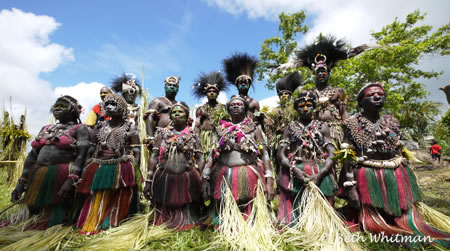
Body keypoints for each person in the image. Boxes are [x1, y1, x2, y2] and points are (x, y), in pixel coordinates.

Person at [340, 82, 450, 246]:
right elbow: (348, 156)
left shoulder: (392, 121)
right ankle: (386, 229)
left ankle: (407, 226)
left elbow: (398, 148)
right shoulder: (351, 124)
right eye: (372, 94)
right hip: (367, 173)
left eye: (381, 94)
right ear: (361, 101)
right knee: (374, 220)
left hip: (395, 171)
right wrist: (351, 187)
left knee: (405, 216)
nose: (378, 96)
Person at [10, 96, 89, 229]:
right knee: (35, 210)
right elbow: (32, 155)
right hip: (39, 173)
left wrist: (72, 179)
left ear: (74, 110)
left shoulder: (80, 129)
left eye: (63, 106)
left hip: (62, 174)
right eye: (56, 106)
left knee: (56, 214)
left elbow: (82, 155)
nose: (57, 108)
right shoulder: (46, 128)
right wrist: (22, 181)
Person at [202, 95, 275, 225]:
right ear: (228, 110)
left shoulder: (254, 128)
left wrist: (269, 180)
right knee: (223, 204)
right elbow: (211, 155)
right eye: (232, 104)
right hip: (224, 173)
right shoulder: (220, 129)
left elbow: (265, 154)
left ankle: (249, 221)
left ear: (246, 109)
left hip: (248, 172)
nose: (236, 106)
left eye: (239, 104)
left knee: (248, 204)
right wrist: (205, 177)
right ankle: (225, 220)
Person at [76, 94, 140, 234]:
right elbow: (92, 149)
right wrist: (86, 169)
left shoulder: (130, 127)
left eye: (113, 104)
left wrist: (135, 170)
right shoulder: (99, 126)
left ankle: (112, 220)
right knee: (97, 195)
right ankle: (94, 220)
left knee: (119, 196)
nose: (109, 107)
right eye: (107, 104)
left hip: (122, 167)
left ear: (122, 108)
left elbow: (136, 150)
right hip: (99, 165)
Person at [277, 91, 337, 225]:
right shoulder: (289, 128)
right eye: (301, 105)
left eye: (309, 105)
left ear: (314, 107)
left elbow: (332, 152)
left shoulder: (323, 126)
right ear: (295, 108)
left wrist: (321, 174)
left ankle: (320, 222)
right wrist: (293, 169)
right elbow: (281, 154)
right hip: (296, 169)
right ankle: (296, 219)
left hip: (319, 168)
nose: (305, 108)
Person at [143, 102, 205, 230]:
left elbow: (200, 158)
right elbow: (154, 156)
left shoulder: (193, 135)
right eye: (174, 112)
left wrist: (204, 180)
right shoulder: (161, 134)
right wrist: (149, 180)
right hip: (164, 176)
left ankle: (187, 219)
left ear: (187, 116)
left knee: (190, 205)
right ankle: (165, 219)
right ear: (170, 116)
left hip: (187, 176)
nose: (177, 114)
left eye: (180, 111)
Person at [193, 71, 228, 159]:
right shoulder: (200, 109)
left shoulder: (224, 108)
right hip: (205, 139)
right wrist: (196, 141)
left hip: (220, 138)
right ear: (206, 93)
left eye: (214, 91)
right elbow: (197, 126)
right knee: (205, 160)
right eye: (209, 91)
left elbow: (228, 124)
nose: (212, 93)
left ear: (218, 93)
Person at [223, 53, 260, 120]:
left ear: (249, 85)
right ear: (236, 85)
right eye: (241, 82)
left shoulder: (254, 102)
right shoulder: (232, 101)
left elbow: (257, 121)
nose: (243, 84)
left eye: (245, 82)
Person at [145, 76, 180, 147]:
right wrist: (150, 137)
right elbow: (150, 118)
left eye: (174, 86)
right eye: (169, 85)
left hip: (176, 137)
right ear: (165, 87)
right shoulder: (157, 101)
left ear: (178, 89)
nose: (172, 87)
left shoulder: (179, 105)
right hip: (160, 137)